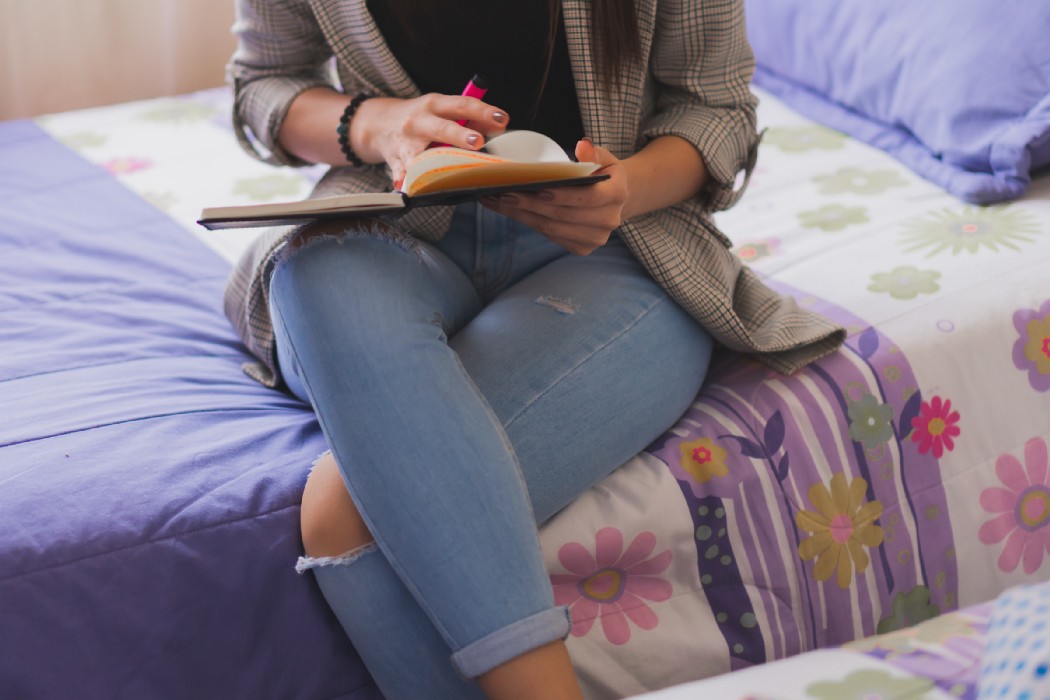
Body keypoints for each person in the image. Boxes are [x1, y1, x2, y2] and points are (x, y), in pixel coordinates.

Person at [223, 0, 844, 698]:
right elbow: (263, 88)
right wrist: (378, 124)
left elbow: (716, 110)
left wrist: (626, 189)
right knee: (315, 274)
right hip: (390, 230)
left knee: (343, 516)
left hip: (614, 247)